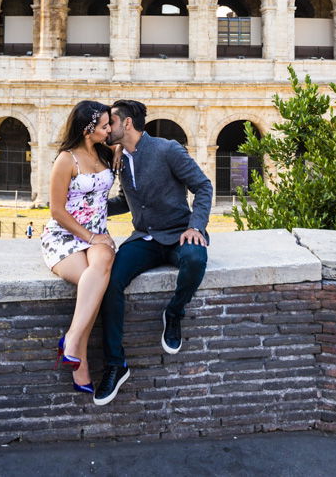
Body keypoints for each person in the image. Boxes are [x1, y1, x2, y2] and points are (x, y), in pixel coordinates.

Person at [93, 99, 212, 406]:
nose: (107, 130)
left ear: (127, 124)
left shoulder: (167, 149)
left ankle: (174, 313)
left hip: (178, 233)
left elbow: (203, 186)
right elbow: (126, 202)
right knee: (110, 281)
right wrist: (89, 210)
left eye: (111, 124)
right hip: (144, 239)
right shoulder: (120, 158)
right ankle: (115, 364)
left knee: (195, 259)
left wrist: (196, 226)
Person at [40, 100, 118, 394]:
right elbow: (57, 210)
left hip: (98, 234)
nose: (109, 129)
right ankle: (79, 360)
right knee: (94, 285)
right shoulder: (66, 160)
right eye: (104, 125)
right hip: (65, 235)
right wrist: (89, 237)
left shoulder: (105, 151)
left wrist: (119, 149)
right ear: (88, 130)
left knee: (102, 266)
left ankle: (71, 340)